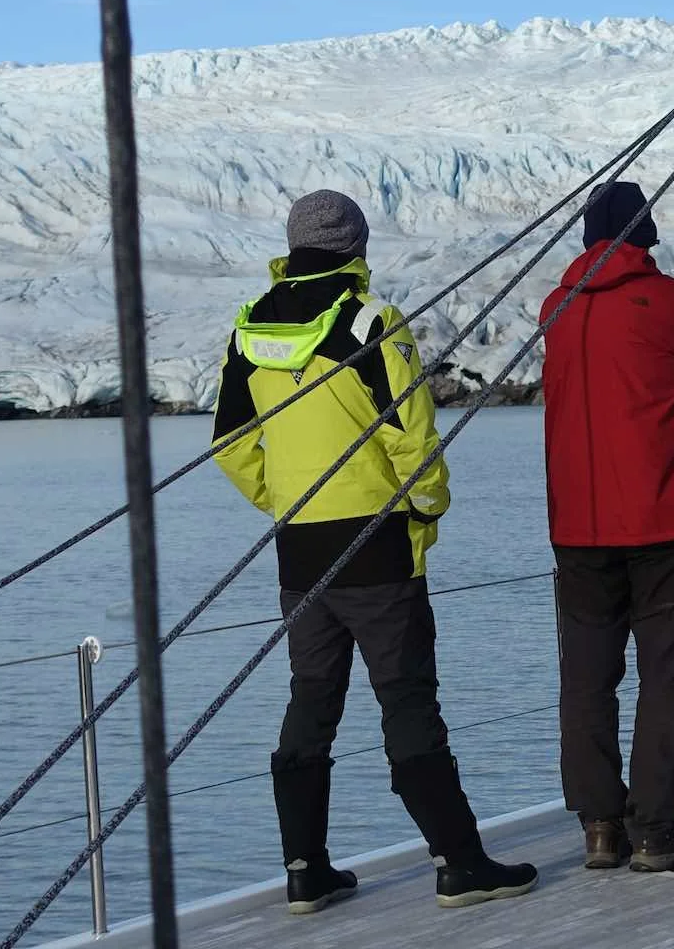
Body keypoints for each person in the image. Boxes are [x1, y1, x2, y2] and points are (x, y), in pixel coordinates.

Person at [213, 189, 537, 913]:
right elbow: (412, 437)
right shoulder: (370, 321)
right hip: (376, 545)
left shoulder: (247, 332)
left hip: (299, 551)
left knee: (311, 700)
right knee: (407, 700)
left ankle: (305, 870)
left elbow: (230, 444)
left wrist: (284, 499)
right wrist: (424, 510)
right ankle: (459, 863)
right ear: (356, 248)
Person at [539, 180, 674, 874]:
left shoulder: (555, 308)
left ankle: (599, 826)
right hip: (665, 523)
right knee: (669, 671)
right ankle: (656, 828)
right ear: (646, 237)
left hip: (578, 529)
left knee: (586, 679)